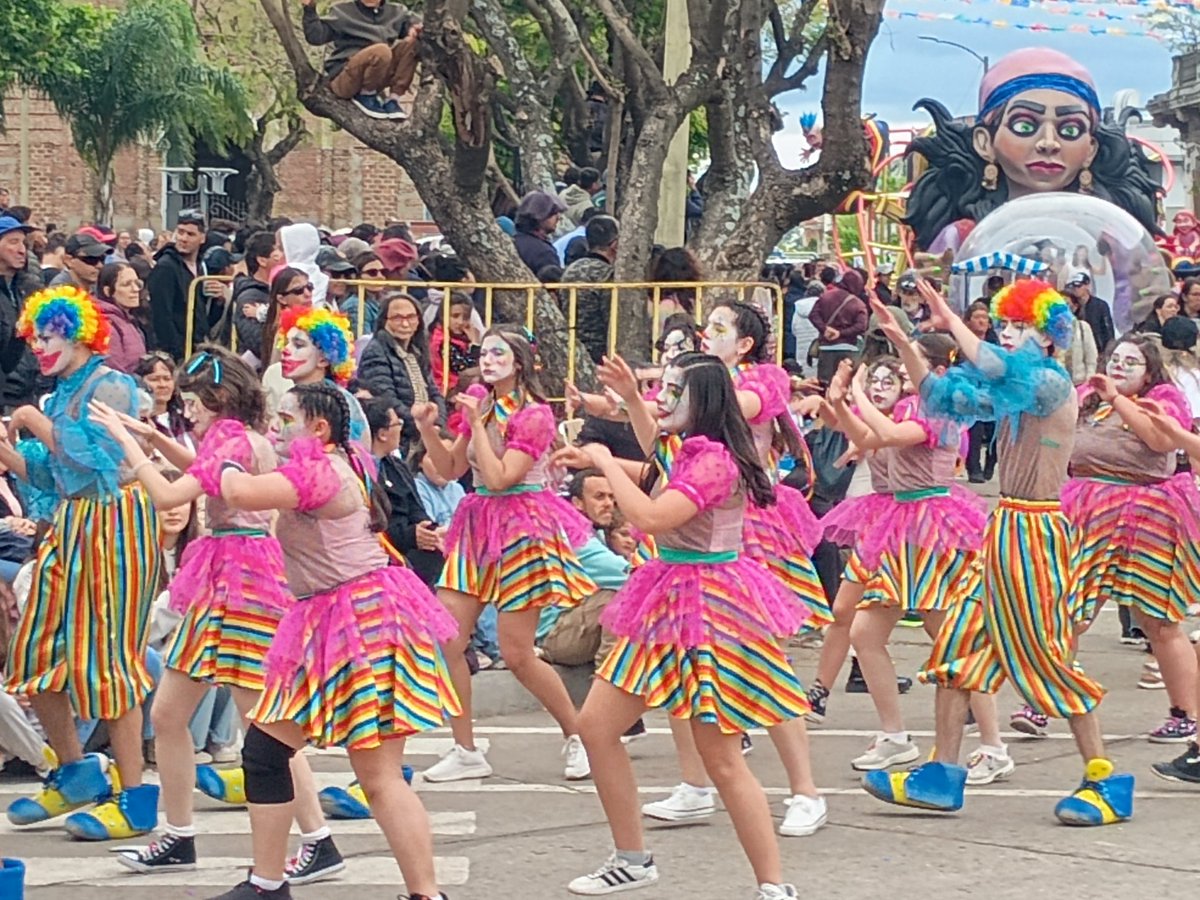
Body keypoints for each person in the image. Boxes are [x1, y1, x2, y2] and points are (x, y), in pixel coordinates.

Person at [868, 278, 1133, 827]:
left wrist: (948, 317)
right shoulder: (1016, 386)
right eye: (1007, 326)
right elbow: (944, 399)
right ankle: (941, 774)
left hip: (1034, 533)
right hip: (1004, 527)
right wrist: (905, 345)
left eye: (1021, 327)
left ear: (1051, 339)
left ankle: (1105, 780)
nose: (1009, 335)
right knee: (959, 651)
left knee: (1049, 658)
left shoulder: (1050, 384)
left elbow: (992, 366)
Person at [557, 352, 807, 899]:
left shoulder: (716, 461)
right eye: (662, 388)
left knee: (719, 757)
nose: (662, 399)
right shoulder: (686, 447)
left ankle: (774, 887)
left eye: (674, 391)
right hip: (666, 599)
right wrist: (625, 402)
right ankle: (631, 859)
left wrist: (600, 458)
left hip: (710, 608)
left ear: (704, 402)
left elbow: (648, 517)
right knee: (597, 728)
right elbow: (655, 460)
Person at [87, 349, 343, 883]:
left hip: (242, 581)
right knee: (170, 714)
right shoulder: (243, 437)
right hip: (226, 580)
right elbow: (207, 475)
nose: (186, 411)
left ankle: (318, 840)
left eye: (191, 402)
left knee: (265, 727)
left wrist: (127, 442)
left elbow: (167, 496)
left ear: (217, 400)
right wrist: (155, 439)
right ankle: (179, 835)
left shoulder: (228, 438)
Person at [205, 381, 458, 900]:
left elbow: (237, 493)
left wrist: (225, 449)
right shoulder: (349, 458)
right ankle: (268, 884)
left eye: (285, 419)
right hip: (347, 616)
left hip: (357, 621)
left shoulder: (318, 470)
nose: (275, 429)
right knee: (271, 752)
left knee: (376, 775)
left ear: (318, 428)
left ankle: (421, 895)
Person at [1, 286, 161, 839]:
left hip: (115, 526)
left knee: (108, 659)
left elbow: (90, 457)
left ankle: (137, 796)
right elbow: (48, 475)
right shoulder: (60, 392)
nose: (42, 347)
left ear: (78, 334)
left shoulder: (111, 384)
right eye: (36, 338)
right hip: (71, 526)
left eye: (51, 336)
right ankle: (76, 772)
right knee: (35, 650)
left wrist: (28, 415)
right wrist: (5, 448)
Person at [415, 326, 596, 783]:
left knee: (517, 653)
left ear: (521, 361)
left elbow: (501, 478)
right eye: (484, 352)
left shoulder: (533, 415)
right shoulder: (482, 400)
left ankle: (578, 734)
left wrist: (476, 424)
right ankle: (465, 747)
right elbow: (451, 468)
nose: (488, 359)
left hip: (522, 527)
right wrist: (427, 429)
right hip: (477, 525)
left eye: (499, 352)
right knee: (447, 638)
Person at [1062, 334, 1200, 745]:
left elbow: (1161, 442)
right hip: (1088, 511)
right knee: (1070, 608)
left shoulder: (1164, 400)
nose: (1119, 367)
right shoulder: (1088, 397)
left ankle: (1184, 714)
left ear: (1150, 371)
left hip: (1148, 516)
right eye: (1115, 359)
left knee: (1158, 620)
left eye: (1131, 363)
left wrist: (1119, 400)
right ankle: (1046, 697)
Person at [904, 47, 1160, 254]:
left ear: (1091, 148)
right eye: (1025, 125)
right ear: (984, 142)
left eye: (1070, 130)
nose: (1049, 142)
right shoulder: (963, 237)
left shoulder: (1113, 239)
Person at [301, 0, 419, 120]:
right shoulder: (342, 11)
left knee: (413, 43)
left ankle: (394, 99)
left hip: (377, 74)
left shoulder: (397, 11)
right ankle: (366, 95)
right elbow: (316, 36)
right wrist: (309, 9)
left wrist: (414, 28)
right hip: (346, 75)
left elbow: (412, 23)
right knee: (381, 50)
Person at [276, 304, 369, 443]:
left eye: (298, 345)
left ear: (324, 359)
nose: (286, 350)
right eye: (286, 343)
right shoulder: (294, 394)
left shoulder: (338, 402)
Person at [358, 292, 445, 434]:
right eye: (397, 318)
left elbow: (434, 392)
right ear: (384, 321)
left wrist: (438, 423)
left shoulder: (416, 351)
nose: (405, 324)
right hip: (399, 433)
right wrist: (423, 426)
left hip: (426, 429)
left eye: (411, 317)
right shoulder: (376, 351)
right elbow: (386, 399)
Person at [148, 209, 208, 361]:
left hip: (196, 347)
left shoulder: (201, 266)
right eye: (180, 232)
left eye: (190, 234)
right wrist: (177, 352)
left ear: (202, 238)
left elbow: (201, 314)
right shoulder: (166, 266)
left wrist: (220, 300)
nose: (183, 238)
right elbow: (161, 314)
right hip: (177, 353)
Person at [561, 215, 620, 364]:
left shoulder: (570, 270)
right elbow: (610, 317)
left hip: (570, 344)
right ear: (614, 244)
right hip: (598, 350)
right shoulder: (607, 274)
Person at [230, 231, 282, 367]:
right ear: (262, 260)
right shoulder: (250, 296)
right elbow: (258, 342)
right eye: (279, 250)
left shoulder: (277, 290)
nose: (284, 255)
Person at [809, 270, 868, 384]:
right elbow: (861, 326)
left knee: (824, 384)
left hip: (826, 348)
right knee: (845, 384)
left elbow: (813, 314)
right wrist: (841, 333)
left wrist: (824, 329)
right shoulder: (858, 304)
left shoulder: (825, 297)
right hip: (849, 349)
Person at [961, 301, 998, 482]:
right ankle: (974, 469)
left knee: (995, 435)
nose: (982, 322)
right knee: (973, 434)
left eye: (985, 318)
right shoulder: (961, 344)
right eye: (977, 317)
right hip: (971, 395)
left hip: (992, 396)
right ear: (968, 321)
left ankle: (991, 463)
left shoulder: (996, 345)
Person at [94, 262, 147, 373]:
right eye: (126, 284)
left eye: (137, 283)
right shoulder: (105, 324)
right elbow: (114, 370)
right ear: (108, 291)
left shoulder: (128, 320)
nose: (135, 289)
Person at [135, 351, 193, 450]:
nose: (162, 385)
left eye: (167, 379)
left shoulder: (187, 419)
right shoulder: (137, 423)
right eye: (154, 379)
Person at [428, 291, 480, 393]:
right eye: (455, 316)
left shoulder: (458, 338)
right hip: (448, 390)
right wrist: (475, 344)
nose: (460, 322)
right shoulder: (442, 341)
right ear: (443, 316)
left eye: (465, 318)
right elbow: (464, 370)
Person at [513, 191, 567, 276]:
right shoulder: (544, 253)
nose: (558, 218)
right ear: (540, 216)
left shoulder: (512, 241)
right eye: (553, 213)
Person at [1063, 271, 1114, 356]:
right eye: (1073, 286)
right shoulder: (1072, 305)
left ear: (1087, 285)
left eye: (1079, 286)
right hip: (1077, 349)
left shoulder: (1100, 305)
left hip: (1098, 349)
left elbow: (1108, 329)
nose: (1076, 289)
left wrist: (1108, 350)